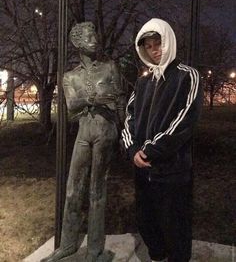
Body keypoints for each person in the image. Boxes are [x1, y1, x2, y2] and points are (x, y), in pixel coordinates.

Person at [41, 22, 125, 262]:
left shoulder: (110, 68)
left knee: (97, 189)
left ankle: (95, 249)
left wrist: (121, 129)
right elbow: (71, 107)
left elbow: (119, 101)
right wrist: (93, 99)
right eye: (89, 37)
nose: (95, 40)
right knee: (73, 189)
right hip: (84, 133)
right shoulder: (70, 76)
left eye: (95, 35)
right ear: (77, 43)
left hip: (105, 130)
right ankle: (68, 244)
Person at [122, 18, 203, 262]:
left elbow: (184, 121)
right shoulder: (143, 81)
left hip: (172, 170)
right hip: (142, 171)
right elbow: (129, 118)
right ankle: (157, 255)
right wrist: (132, 150)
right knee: (148, 222)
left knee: (175, 225)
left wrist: (149, 151)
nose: (154, 50)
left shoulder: (187, 76)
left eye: (158, 43)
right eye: (148, 46)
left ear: (168, 41)